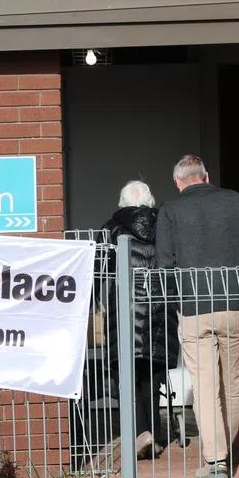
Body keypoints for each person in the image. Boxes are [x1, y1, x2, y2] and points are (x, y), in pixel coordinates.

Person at [156, 155, 239, 478]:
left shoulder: (170, 211)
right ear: (206, 176)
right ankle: (224, 454)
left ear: (178, 182)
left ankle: (215, 459)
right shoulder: (235, 201)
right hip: (234, 305)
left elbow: (165, 266)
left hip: (193, 307)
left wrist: (178, 303)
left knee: (204, 387)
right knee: (232, 386)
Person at [101, 180, 173, 460]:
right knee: (151, 375)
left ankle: (140, 432)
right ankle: (152, 436)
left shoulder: (111, 228)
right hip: (159, 310)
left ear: (122, 202)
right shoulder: (165, 227)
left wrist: (100, 303)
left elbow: (101, 270)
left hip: (125, 309)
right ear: (150, 200)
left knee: (125, 375)